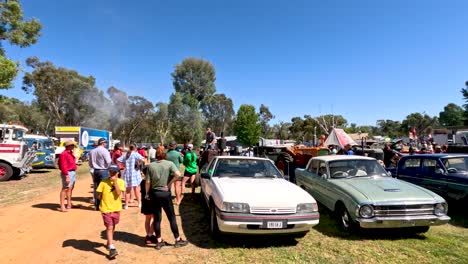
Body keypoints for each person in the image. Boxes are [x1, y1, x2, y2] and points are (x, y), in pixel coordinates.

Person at [145, 147, 188, 249]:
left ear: (156, 155)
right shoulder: (170, 164)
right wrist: (169, 184)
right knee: (171, 217)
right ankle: (177, 240)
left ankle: (159, 241)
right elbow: (178, 174)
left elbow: (147, 182)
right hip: (165, 193)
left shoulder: (151, 166)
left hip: (155, 193)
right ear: (165, 155)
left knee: (157, 218)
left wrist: (147, 193)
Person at [96, 165, 125, 259]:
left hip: (116, 208)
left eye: (113, 172)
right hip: (106, 208)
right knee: (109, 226)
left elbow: (118, 193)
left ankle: (109, 241)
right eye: (110, 172)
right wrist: (101, 199)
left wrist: (115, 182)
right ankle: (111, 248)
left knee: (113, 225)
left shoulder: (120, 182)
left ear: (118, 173)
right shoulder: (103, 182)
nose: (111, 174)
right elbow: (98, 195)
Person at [117, 144, 145, 209]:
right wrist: (138, 164)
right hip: (135, 173)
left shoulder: (126, 154)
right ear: (135, 148)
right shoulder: (135, 154)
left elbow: (118, 160)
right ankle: (139, 203)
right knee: (136, 189)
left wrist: (124, 164)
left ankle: (126, 205)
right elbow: (143, 160)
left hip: (127, 174)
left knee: (127, 190)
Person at [89, 137, 112, 210]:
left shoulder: (92, 151)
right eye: (105, 143)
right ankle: (104, 204)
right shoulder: (105, 151)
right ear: (103, 143)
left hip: (95, 171)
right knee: (105, 188)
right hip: (103, 171)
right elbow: (109, 162)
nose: (106, 144)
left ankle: (97, 205)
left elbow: (90, 163)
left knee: (96, 188)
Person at [58, 140, 77, 212]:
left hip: (72, 172)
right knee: (65, 188)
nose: (73, 147)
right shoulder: (64, 154)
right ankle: (62, 205)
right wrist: (66, 175)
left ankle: (69, 203)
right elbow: (63, 166)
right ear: (68, 146)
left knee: (70, 188)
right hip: (67, 172)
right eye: (72, 145)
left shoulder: (70, 153)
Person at [140, 164, 156, 245]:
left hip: (145, 202)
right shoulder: (151, 182)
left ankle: (149, 235)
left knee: (147, 219)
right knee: (156, 218)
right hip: (152, 203)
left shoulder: (142, 182)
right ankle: (149, 235)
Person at [166, 141, 184, 205]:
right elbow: (181, 161)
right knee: (177, 186)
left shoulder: (166, 153)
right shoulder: (177, 153)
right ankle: (178, 200)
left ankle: (168, 200)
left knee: (168, 187)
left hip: (168, 172)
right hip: (176, 172)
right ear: (175, 146)